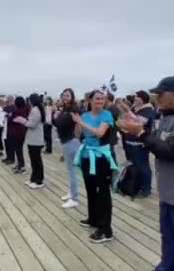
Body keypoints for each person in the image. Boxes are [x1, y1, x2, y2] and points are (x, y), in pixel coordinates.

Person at [120, 76, 174, 271]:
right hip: (170, 194)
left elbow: (171, 152)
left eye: (160, 94)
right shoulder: (168, 117)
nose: (156, 98)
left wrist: (141, 133)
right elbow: (160, 142)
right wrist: (140, 126)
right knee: (169, 242)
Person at [73, 90, 118, 243]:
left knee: (103, 192)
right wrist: (78, 124)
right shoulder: (85, 115)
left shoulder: (106, 115)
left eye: (102, 99)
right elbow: (78, 134)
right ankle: (93, 219)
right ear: (90, 101)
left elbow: (100, 133)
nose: (100, 101)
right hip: (87, 155)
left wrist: (82, 123)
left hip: (101, 157)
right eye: (97, 99)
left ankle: (106, 230)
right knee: (90, 189)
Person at [53, 88, 81, 208]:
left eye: (68, 95)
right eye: (64, 95)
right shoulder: (65, 109)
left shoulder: (73, 109)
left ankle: (74, 198)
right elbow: (57, 123)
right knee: (70, 171)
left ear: (72, 97)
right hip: (66, 141)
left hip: (71, 141)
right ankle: (71, 193)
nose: (65, 97)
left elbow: (63, 124)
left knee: (72, 171)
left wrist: (55, 115)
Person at [14, 93, 45, 188]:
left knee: (36, 161)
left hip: (35, 139)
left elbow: (32, 124)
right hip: (33, 139)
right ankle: (33, 178)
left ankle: (39, 181)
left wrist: (21, 120)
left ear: (31, 101)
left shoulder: (36, 110)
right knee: (34, 160)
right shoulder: (37, 109)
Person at [10, 96, 30, 174]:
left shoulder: (17, 111)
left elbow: (12, 119)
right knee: (19, 150)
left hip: (17, 133)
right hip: (22, 133)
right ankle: (19, 164)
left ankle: (22, 166)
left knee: (18, 150)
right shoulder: (25, 110)